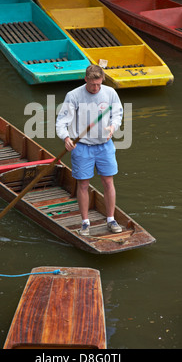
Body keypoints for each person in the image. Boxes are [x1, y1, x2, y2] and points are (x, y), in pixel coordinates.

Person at [56, 65, 123, 236]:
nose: (96, 88)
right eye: (93, 84)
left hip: (104, 146)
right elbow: (62, 121)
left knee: (108, 182)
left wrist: (113, 127)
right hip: (82, 146)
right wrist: (66, 138)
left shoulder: (110, 93)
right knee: (83, 184)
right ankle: (85, 222)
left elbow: (117, 114)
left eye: (99, 84)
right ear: (86, 79)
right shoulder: (73, 96)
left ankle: (111, 219)